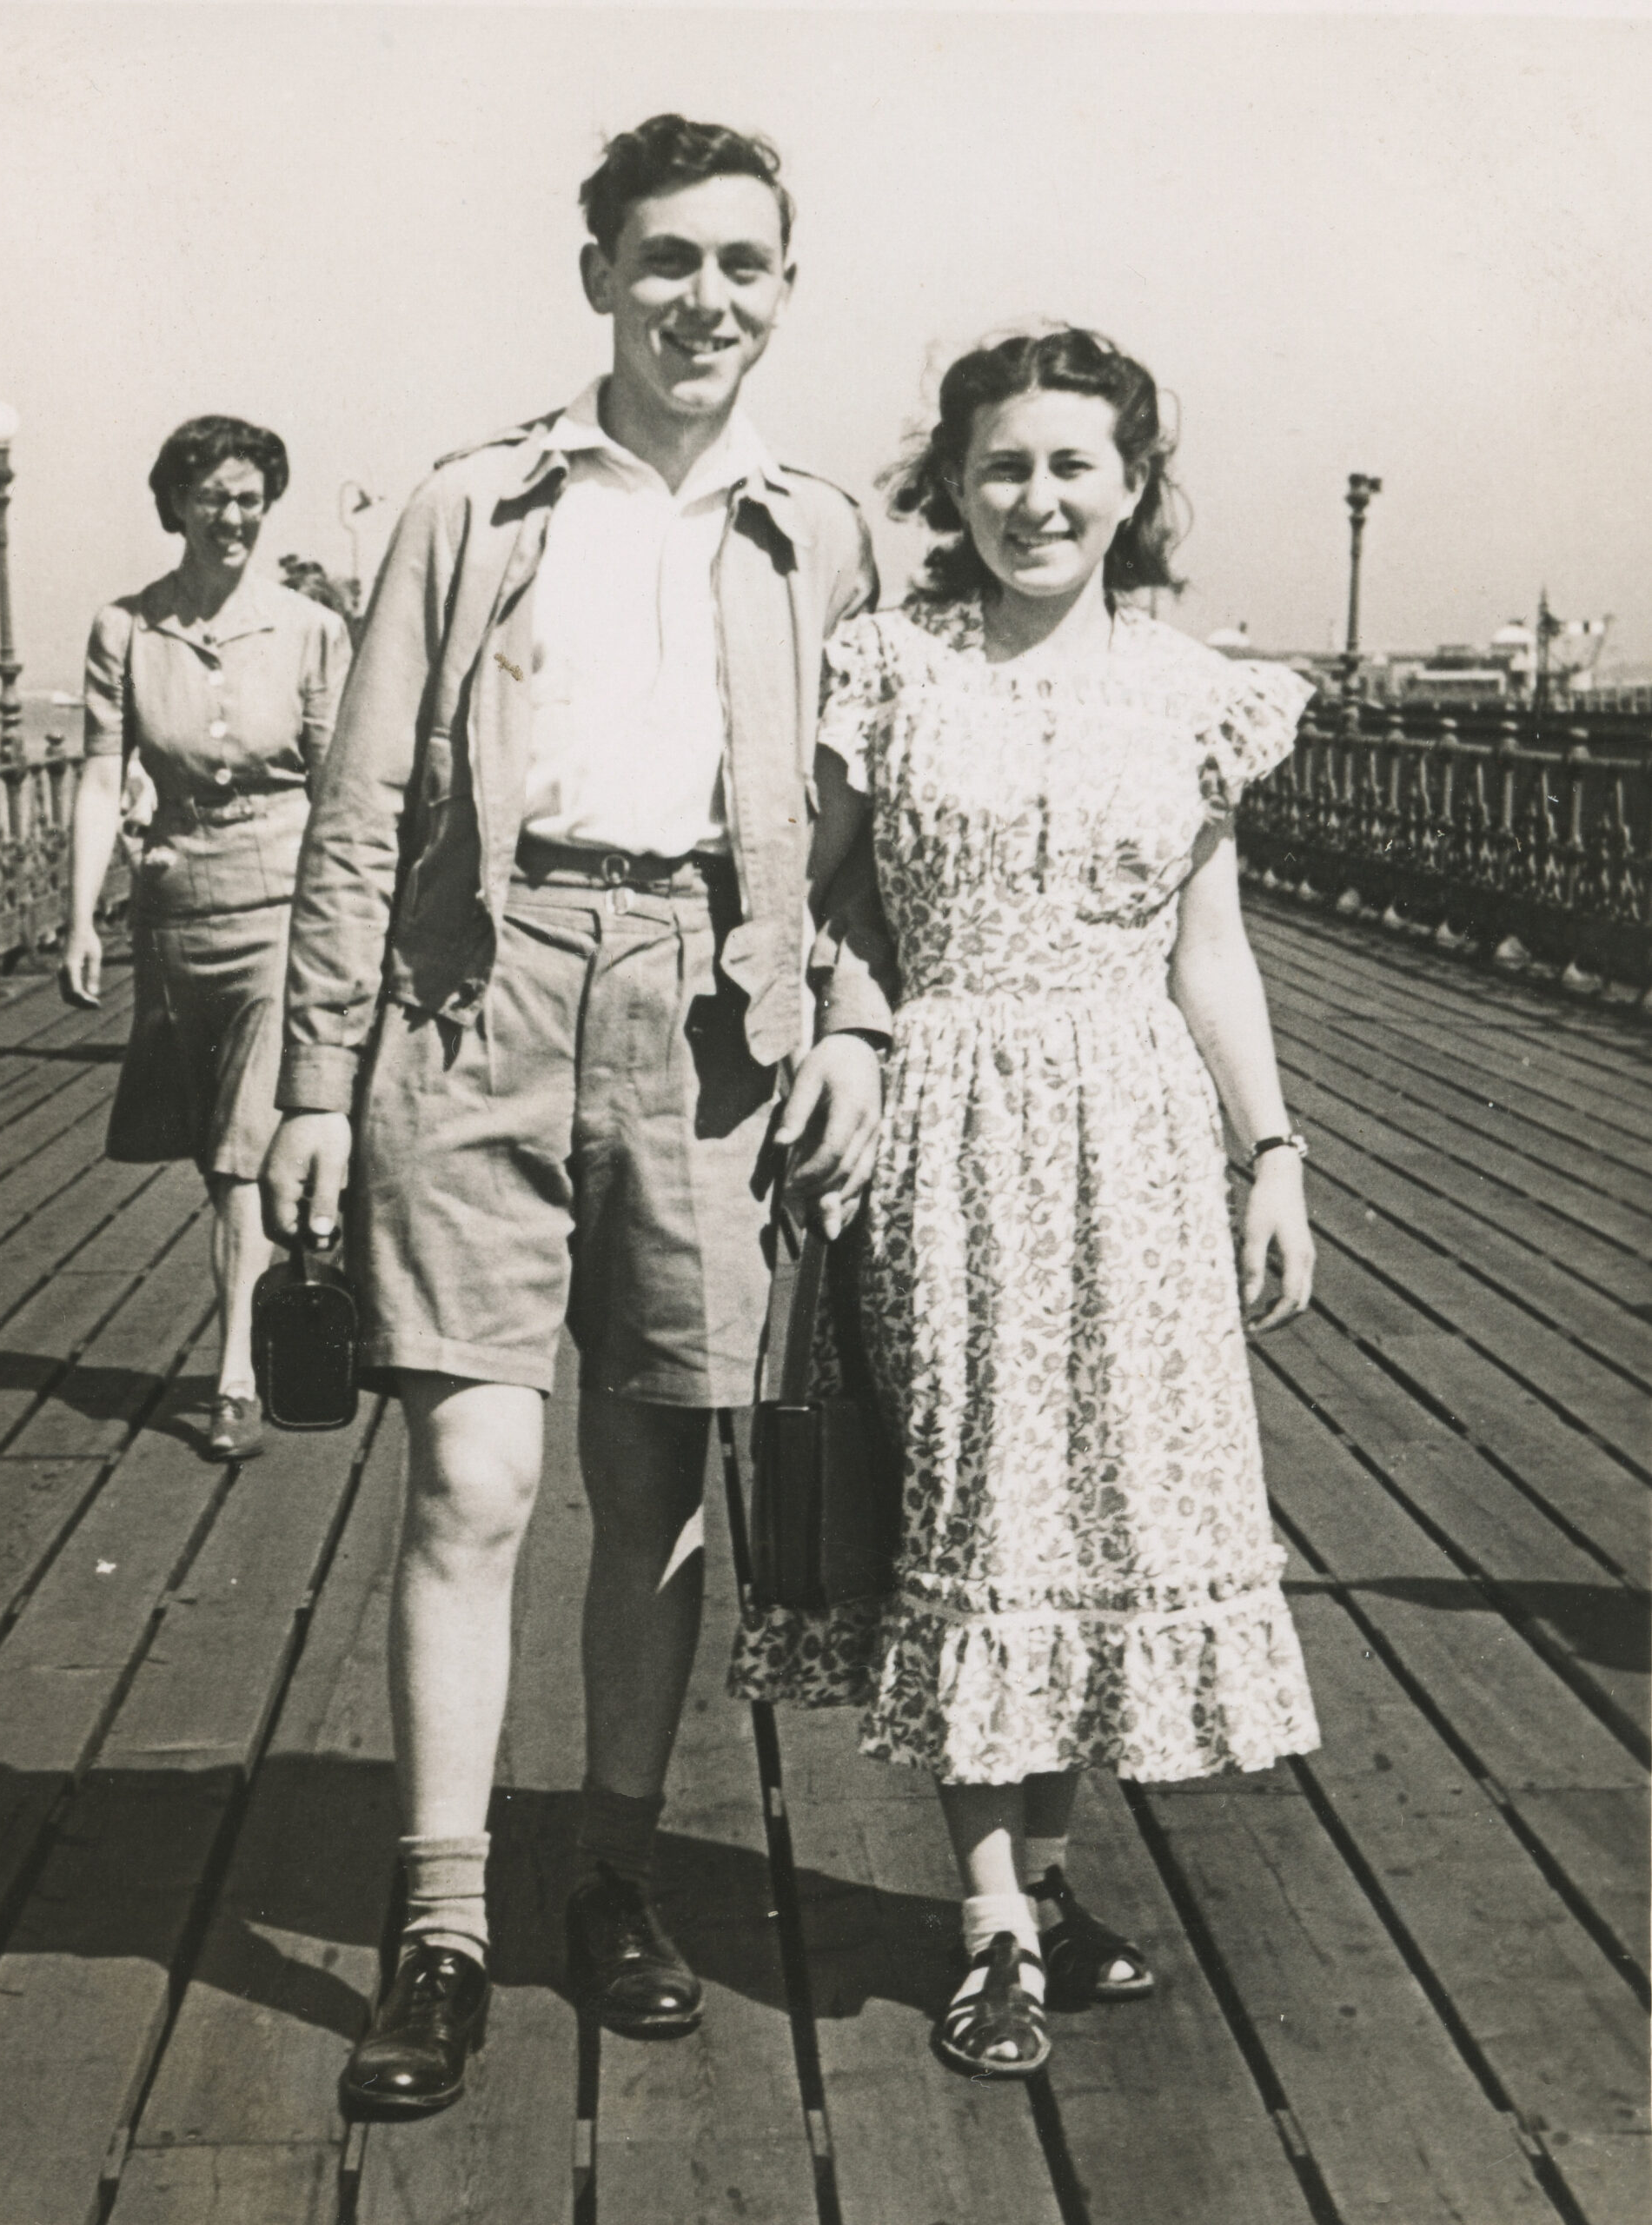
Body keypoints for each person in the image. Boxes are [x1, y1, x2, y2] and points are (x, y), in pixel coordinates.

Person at [262, 116, 893, 2112]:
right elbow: (364, 805)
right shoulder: (471, 505)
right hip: (478, 994)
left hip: (712, 1013)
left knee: (657, 1485)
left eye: (740, 264)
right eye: (663, 261)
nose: (701, 297)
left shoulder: (823, 533)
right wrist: (306, 1077)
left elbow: (867, 835)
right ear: (596, 278)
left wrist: (853, 1023)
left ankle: (608, 1865)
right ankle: (440, 1914)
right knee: (466, 1478)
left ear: (781, 288)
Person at [755, 326, 1323, 2076]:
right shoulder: (888, 666)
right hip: (948, 1118)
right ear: (951, 483)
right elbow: (813, 887)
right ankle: (989, 1916)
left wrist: (1273, 1147)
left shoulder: (1189, 690)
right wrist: (850, 1031)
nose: (1035, 496)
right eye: (1002, 463)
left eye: (1073, 464)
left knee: (1099, 1509)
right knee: (980, 1495)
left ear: (1132, 488)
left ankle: (1048, 1878)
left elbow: (1206, 948)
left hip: (1136, 1125)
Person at [63, 415, 351, 1462]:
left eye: (251, 498)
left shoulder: (311, 629)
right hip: (179, 915)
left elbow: (340, 790)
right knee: (216, 1152)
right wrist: (80, 912)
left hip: (287, 913)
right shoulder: (126, 629)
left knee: (242, 1154)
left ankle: (235, 1371)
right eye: (214, 497)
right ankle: (307, 1263)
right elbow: (102, 775)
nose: (235, 517)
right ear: (176, 503)